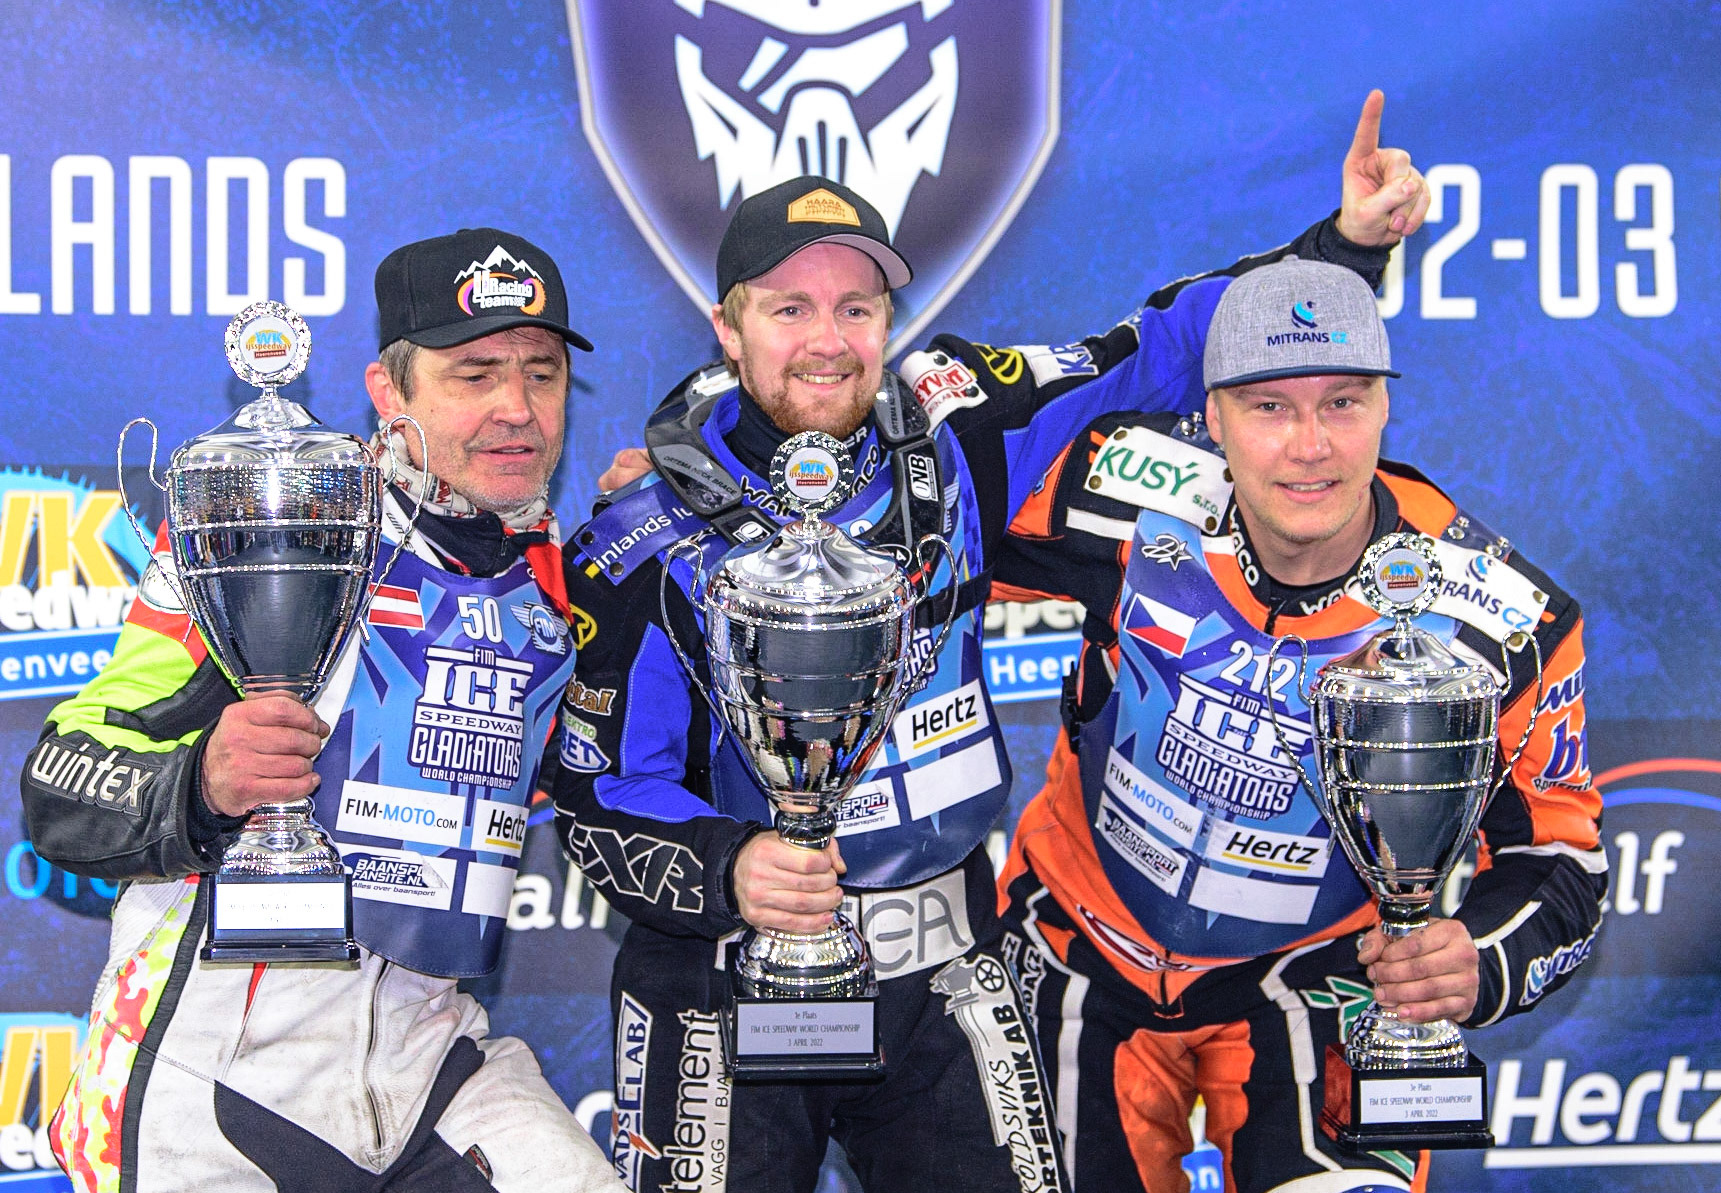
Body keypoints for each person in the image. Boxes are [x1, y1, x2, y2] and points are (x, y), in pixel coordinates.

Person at [554, 96, 1428, 1193]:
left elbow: (1153, 350)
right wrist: (730, 865)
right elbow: (594, 790)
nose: (828, 341)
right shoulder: (642, 535)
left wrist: (1339, 249)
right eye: (788, 309)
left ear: (889, 318)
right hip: (723, 980)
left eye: (858, 307)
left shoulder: (959, 423)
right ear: (726, 328)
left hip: (947, 975)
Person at [20, 228, 624, 1192]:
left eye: (540, 373)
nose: (516, 410)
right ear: (391, 393)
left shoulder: (558, 568)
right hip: (220, 1067)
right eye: (473, 374)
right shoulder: (277, 524)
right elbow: (63, 777)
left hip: (431, 1053)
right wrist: (201, 784)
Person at [991, 257, 1605, 1192]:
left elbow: (1562, 864)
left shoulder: (1502, 620)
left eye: (1343, 403)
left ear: (1386, 409)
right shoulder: (1106, 496)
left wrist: (1476, 958)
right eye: (1268, 406)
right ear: (1208, 417)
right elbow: (919, 529)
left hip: (1322, 978)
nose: (1309, 445)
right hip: (1076, 943)